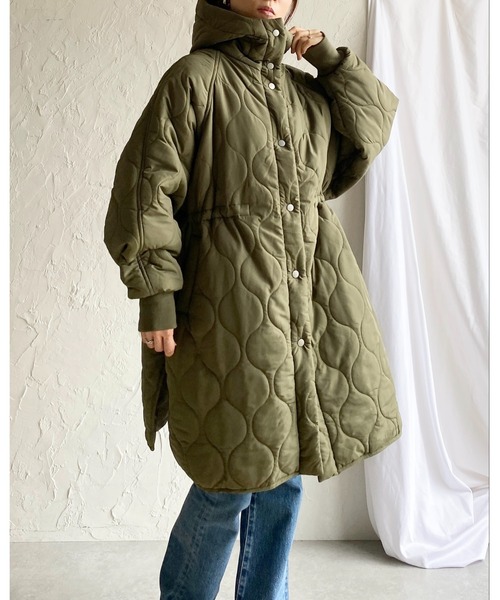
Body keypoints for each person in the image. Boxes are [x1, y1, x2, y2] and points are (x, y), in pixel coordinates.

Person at [104, 0, 403, 598]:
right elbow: (144, 192)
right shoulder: (194, 79)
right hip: (226, 312)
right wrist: (156, 297)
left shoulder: (301, 91)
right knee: (228, 478)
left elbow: (368, 131)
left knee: (284, 473)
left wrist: (331, 63)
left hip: (305, 308)